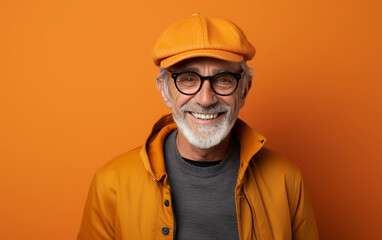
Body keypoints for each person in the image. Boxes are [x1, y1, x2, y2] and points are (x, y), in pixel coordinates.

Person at [77, 14, 319, 240]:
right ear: (164, 90)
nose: (205, 99)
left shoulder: (287, 180)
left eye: (223, 79)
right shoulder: (112, 184)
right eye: (188, 79)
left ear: (244, 90)